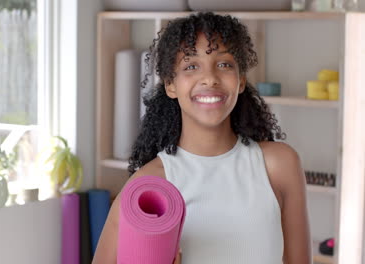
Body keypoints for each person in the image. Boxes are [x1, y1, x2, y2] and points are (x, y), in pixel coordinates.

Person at [92, 12, 311, 264]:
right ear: (170, 85)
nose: (210, 78)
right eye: (191, 66)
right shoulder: (148, 185)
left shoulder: (280, 164)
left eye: (224, 64)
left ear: (240, 81)